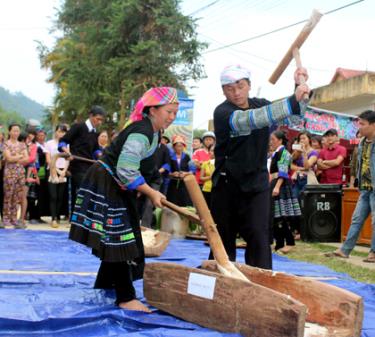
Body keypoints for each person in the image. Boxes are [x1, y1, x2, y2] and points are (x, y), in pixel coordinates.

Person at [69, 87, 179, 312]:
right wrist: (150, 192)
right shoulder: (141, 132)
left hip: (117, 184)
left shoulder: (155, 133)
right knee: (120, 239)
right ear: (152, 110)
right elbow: (127, 169)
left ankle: (106, 282)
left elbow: (139, 168)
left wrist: (144, 188)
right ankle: (125, 297)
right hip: (107, 181)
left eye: (175, 112)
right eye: (168, 111)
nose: (172, 117)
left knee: (121, 235)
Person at [210, 64, 310, 269]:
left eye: (240, 86)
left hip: (256, 183)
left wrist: (300, 88)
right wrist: (293, 99)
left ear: (249, 85)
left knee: (259, 235)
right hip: (227, 184)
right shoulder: (223, 112)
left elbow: (296, 119)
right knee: (222, 239)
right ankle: (220, 282)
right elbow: (254, 119)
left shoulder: (261, 104)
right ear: (223, 91)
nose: (236, 92)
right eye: (229, 88)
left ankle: (262, 283)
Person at [325, 110, 375, 262]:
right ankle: (345, 250)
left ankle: (373, 253)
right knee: (356, 219)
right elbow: (358, 165)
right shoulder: (361, 142)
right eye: (358, 123)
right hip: (364, 188)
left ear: (373, 125)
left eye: (362, 124)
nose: (359, 127)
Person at [58, 106, 106, 210]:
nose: (99, 122)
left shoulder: (95, 133)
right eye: (98, 119)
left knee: (89, 191)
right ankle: (77, 216)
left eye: (101, 120)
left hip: (89, 166)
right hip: (77, 166)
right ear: (91, 116)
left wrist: (100, 155)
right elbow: (62, 142)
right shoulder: (78, 127)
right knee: (84, 190)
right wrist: (67, 152)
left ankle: (82, 216)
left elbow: (95, 150)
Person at [269, 130, 301, 253]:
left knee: (281, 215)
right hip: (274, 183)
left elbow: (283, 172)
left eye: (273, 139)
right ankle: (279, 243)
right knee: (275, 215)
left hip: (281, 185)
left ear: (280, 140)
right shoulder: (275, 153)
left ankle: (290, 242)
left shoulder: (284, 153)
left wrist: (277, 186)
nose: (271, 142)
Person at [1, 124, 28, 229]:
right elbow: (8, 159)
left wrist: (15, 157)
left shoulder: (22, 144)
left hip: (20, 173)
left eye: (17, 131)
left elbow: (27, 159)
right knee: (8, 195)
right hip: (9, 173)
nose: (16, 133)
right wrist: (20, 156)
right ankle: (6, 218)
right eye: (14, 131)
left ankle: (14, 218)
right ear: (9, 132)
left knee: (17, 197)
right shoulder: (5, 144)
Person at [46, 124, 70, 228]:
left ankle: (58, 216)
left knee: (60, 196)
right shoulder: (49, 143)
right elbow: (48, 159)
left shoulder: (67, 145)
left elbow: (68, 158)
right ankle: (53, 218)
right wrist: (56, 171)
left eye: (63, 132)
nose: (60, 133)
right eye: (59, 131)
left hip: (63, 170)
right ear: (55, 131)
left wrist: (64, 170)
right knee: (53, 196)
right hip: (52, 170)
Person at [166, 135, 195, 207]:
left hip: (184, 183)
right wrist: (172, 174)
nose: (180, 148)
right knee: (172, 201)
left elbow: (192, 169)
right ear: (174, 147)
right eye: (177, 146)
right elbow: (167, 170)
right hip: (173, 183)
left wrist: (186, 173)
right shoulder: (170, 157)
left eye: (181, 146)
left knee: (184, 201)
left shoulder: (187, 156)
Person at [200, 144, 215, 208]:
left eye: (214, 150)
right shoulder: (205, 163)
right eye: (211, 150)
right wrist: (210, 177)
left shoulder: (221, 163)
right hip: (206, 189)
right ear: (209, 152)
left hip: (217, 190)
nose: (213, 152)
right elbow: (201, 178)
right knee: (206, 208)